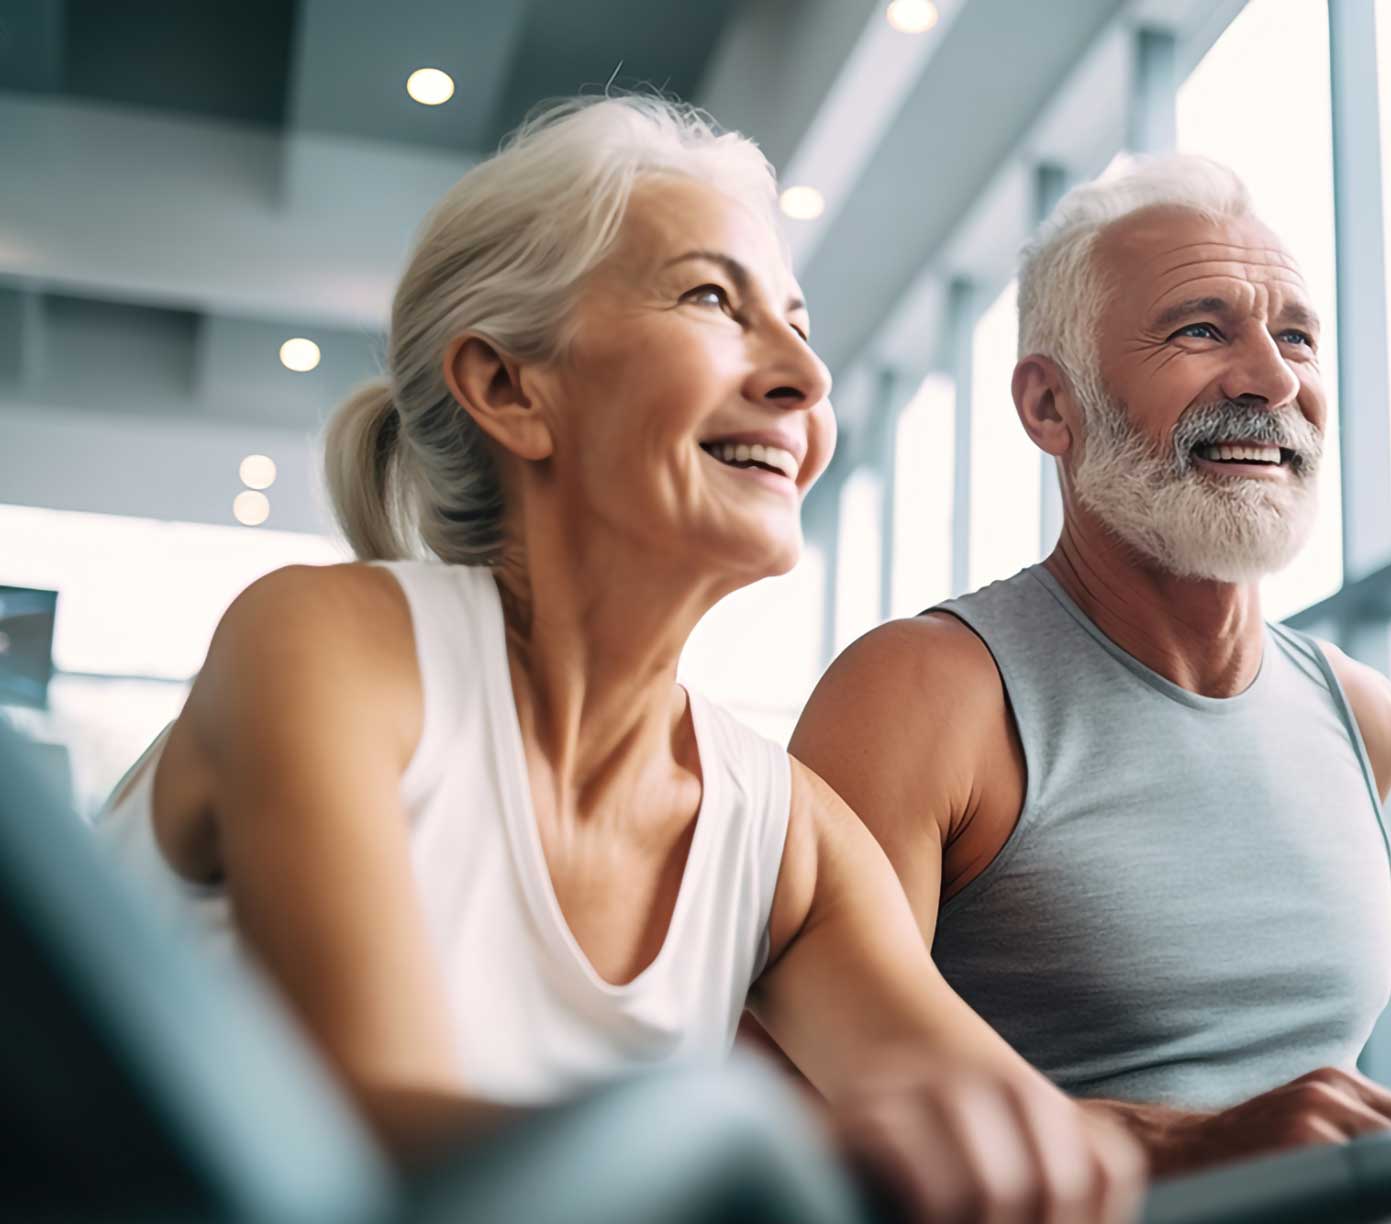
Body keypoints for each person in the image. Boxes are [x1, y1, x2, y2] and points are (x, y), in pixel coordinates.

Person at [93, 97, 1144, 1223]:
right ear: (508, 388)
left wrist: (1126, 1147)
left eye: (798, 321)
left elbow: (1007, 1146)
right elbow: (365, 1151)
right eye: (710, 298)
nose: (804, 374)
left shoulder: (784, 833)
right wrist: (772, 1152)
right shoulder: (330, 645)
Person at [785, 154, 1391, 1190]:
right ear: (1050, 407)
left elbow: (1288, 1105)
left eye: (1297, 336)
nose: (1273, 380)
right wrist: (1183, 1148)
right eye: (1200, 328)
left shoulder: (1364, 718)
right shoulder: (924, 696)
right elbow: (789, 1130)